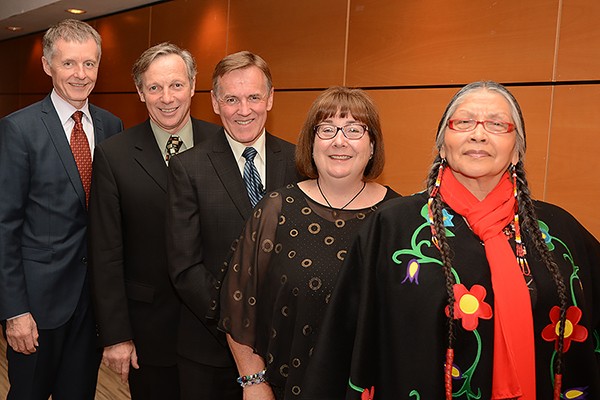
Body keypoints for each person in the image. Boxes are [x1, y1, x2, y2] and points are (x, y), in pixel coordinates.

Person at [303, 81, 600, 400]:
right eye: (464, 122)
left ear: (517, 150)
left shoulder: (559, 231)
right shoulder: (392, 227)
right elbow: (343, 343)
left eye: (498, 124)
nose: (479, 134)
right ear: (443, 144)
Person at [217, 86, 400, 399]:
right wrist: (253, 382)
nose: (339, 141)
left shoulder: (397, 217)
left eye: (354, 129)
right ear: (311, 143)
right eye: (327, 129)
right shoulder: (276, 208)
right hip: (285, 388)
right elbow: (238, 300)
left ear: (372, 146)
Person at [87, 42, 220, 399]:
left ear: (193, 86)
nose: (167, 97)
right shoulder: (114, 155)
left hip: (217, 329)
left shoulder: (223, 143)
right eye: (154, 87)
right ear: (140, 93)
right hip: (149, 331)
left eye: (176, 85)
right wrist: (116, 335)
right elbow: (106, 251)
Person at [166, 50, 300, 400]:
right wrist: (240, 325)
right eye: (231, 99)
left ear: (270, 98)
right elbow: (185, 267)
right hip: (209, 351)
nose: (244, 110)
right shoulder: (188, 168)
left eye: (254, 97)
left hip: (286, 348)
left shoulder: (300, 162)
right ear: (214, 102)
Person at [0, 19, 123, 399]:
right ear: (47, 65)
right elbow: (4, 226)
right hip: (37, 309)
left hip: (92, 306)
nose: (80, 74)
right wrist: (15, 311)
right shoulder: (18, 130)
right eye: (68, 63)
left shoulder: (111, 126)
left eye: (89, 63)